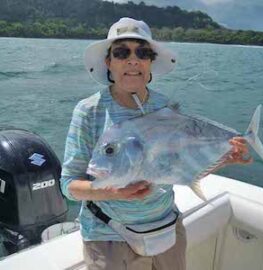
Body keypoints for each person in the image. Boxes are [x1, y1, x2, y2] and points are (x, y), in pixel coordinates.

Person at [60, 17, 252, 270]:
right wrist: (112, 193)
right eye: (121, 52)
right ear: (108, 62)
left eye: (142, 52)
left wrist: (225, 157)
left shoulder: (164, 107)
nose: (132, 59)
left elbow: (179, 167)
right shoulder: (89, 111)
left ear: (150, 62)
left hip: (166, 229)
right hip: (108, 236)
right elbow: (68, 185)